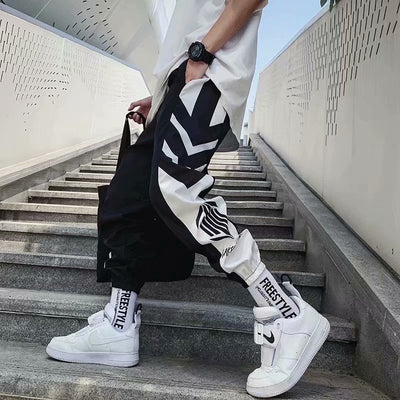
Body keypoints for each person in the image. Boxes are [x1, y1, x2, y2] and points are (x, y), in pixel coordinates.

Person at [45, 1, 330, 397]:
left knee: (176, 190)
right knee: (126, 198)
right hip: (184, 77)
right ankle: (118, 325)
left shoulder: (205, 59)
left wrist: (202, 54)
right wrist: (162, 93)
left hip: (211, 71)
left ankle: (288, 311)